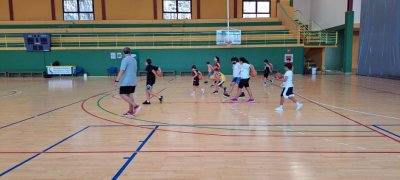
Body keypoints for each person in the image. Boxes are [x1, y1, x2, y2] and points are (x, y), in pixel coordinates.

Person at [114, 47, 141, 116]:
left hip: (126, 80)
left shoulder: (125, 60)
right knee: (129, 94)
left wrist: (117, 80)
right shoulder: (134, 60)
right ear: (130, 52)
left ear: (123, 53)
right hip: (133, 80)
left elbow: (122, 70)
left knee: (122, 94)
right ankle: (130, 111)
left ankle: (135, 106)